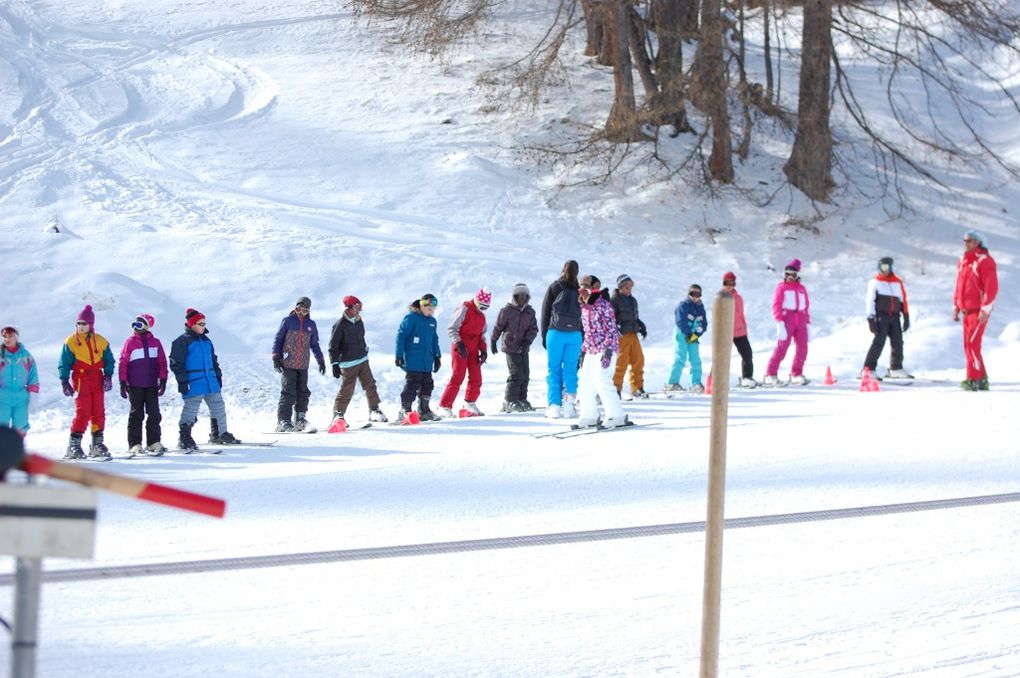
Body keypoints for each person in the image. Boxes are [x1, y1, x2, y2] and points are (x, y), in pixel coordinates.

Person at [169, 308, 240, 451]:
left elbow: (214, 361)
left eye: (204, 324)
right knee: (191, 409)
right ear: (192, 325)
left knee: (218, 407)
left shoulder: (207, 341)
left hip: (211, 381)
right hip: (194, 381)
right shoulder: (182, 342)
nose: (203, 326)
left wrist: (218, 377)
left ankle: (219, 433)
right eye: (200, 324)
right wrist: (183, 381)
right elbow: (176, 364)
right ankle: (184, 437)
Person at [58, 305, 115, 459]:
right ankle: (74, 445)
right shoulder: (71, 342)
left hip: (97, 378)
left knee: (98, 411)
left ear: (91, 325)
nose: (81, 327)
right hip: (81, 379)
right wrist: (64, 381)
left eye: (84, 323)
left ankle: (97, 444)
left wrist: (108, 376)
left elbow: (109, 360)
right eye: (78, 323)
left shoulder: (101, 341)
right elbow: (64, 363)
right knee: (83, 411)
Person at [328, 295, 388, 427]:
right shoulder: (340, 324)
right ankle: (338, 415)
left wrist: (364, 349)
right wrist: (335, 363)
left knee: (370, 384)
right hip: (348, 363)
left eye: (360, 307)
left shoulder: (359, 321)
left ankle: (374, 410)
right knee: (347, 389)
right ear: (349, 308)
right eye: (356, 306)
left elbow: (361, 338)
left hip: (362, 359)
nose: (359, 310)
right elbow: (333, 346)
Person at [576, 276, 628, 428]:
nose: (582, 292)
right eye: (580, 289)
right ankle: (589, 416)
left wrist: (608, 351)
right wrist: (584, 351)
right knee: (585, 380)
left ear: (594, 288)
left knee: (602, 379)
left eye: (585, 288)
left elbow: (611, 330)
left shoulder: (604, 305)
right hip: (591, 349)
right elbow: (587, 333)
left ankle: (616, 415)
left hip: (606, 348)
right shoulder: (584, 308)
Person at [271, 296, 326, 432]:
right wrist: (276, 357)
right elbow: (278, 339)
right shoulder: (288, 321)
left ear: (309, 311)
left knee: (303, 392)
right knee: (288, 392)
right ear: (295, 308)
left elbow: (314, 344)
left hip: (303, 364)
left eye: (304, 310)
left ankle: (300, 420)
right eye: (298, 309)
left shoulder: (311, 325)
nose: (301, 313)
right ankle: (283, 421)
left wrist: (321, 361)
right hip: (288, 363)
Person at [118, 314, 169, 456]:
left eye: (139, 324)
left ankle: (153, 442)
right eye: (134, 324)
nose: (136, 327)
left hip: (151, 384)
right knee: (136, 414)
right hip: (135, 385)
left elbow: (162, 363)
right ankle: (135, 443)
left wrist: (163, 380)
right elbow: (123, 363)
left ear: (147, 326)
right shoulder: (130, 342)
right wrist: (123, 382)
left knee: (154, 413)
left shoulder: (156, 342)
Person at [954, 230, 998, 391]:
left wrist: (985, 308)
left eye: (970, 241)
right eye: (964, 240)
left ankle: (973, 378)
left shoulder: (985, 261)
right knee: (969, 345)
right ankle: (982, 379)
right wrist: (956, 306)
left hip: (979, 310)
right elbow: (959, 285)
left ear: (978, 242)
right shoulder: (964, 261)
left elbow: (991, 287)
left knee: (972, 344)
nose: (966, 243)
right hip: (966, 310)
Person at [438, 288, 492, 417]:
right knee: (458, 376)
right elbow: (452, 328)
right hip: (460, 347)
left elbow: (481, 335)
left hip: (473, 349)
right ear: (476, 300)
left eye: (486, 307)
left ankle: (469, 403)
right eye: (481, 306)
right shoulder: (464, 309)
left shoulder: (482, 317)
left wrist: (483, 350)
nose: (482, 309)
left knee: (476, 377)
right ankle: (444, 406)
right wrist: (459, 342)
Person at [541, 260, 583, 419]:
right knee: (571, 370)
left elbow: (545, 313)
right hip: (575, 335)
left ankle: (554, 407)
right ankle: (569, 407)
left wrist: (545, 335)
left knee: (554, 369)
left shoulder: (555, 287)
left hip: (555, 333)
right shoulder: (580, 290)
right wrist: (582, 336)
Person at [490, 283, 539, 412]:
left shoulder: (530, 312)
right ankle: (509, 401)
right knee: (516, 373)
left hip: (523, 348)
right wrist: (493, 340)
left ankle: (521, 399)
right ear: (514, 297)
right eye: (520, 296)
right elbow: (498, 327)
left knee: (525, 374)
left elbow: (533, 329)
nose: (522, 299)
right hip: (511, 347)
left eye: (525, 296)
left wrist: (528, 341)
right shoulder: (507, 311)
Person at [395, 294, 443, 423]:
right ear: (422, 305)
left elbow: (434, 340)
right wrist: (399, 354)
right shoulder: (411, 318)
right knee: (412, 385)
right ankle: (405, 410)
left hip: (427, 361)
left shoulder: (432, 322)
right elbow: (401, 336)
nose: (431, 312)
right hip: (413, 360)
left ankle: (424, 410)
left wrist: (437, 356)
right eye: (429, 309)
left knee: (428, 384)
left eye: (433, 309)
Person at [862, 257, 913, 380]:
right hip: (882, 317)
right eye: (882, 267)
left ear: (891, 267)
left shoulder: (897, 283)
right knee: (879, 342)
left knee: (898, 342)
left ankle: (896, 368)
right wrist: (871, 318)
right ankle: (869, 369)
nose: (884, 270)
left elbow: (902, 300)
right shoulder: (875, 282)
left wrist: (906, 316)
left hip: (894, 317)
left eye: (886, 267)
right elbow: (870, 301)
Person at [763, 259, 811, 386]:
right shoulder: (782, 287)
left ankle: (796, 373)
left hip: (800, 319)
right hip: (787, 319)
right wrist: (779, 322)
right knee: (782, 347)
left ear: (797, 276)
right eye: (787, 274)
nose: (789, 277)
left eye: (793, 275)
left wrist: (807, 322)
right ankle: (770, 374)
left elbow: (806, 306)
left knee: (803, 349)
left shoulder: (801, 289)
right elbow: (776, 305)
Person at [611, 274, 648, 398]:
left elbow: (634, 317)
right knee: (622, 362)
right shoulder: (614, 300)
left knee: (639, 360)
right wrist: (617, 330)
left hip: (632, 333)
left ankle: (637, 388)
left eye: (630, 288)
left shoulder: (632, 300)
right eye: (627, 288)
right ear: (621, 287)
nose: (629, 290)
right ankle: (616, 389)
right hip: (622, 336)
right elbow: (611, 319)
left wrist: (640, 325)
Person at [666, 284, 707, 393]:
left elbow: (704, 323)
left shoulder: (700, 307)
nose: (695, 296)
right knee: (680, 357)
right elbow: (680, 321)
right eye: (693, 294)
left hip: (693, 335)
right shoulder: (683, 305)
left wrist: (697, 334)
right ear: (689, 294)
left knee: (695, 359)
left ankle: (696, 383)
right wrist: (688, 334)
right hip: (682, 334)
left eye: (698, 294)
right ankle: (672, 382)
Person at [0, 327, 39, 436]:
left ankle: (16, 450)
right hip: (2, 397)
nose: (7, 339)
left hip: (21, 398)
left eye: (11, 336)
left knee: (21, 425)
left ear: (17, 337)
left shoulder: (26, 356)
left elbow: (33, 376)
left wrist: (34, 395)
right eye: (5, 336)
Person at [723, 272, 757, 388]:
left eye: (732, 283)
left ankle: (747, 377)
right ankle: (715, 379)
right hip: (725, 331)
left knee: (747, 354)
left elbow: (741, 315)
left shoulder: (738, 298)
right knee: (721, 356)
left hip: (739, 331)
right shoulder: (720, 297)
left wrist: (744, 328)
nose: (729, 285)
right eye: (727, 283)